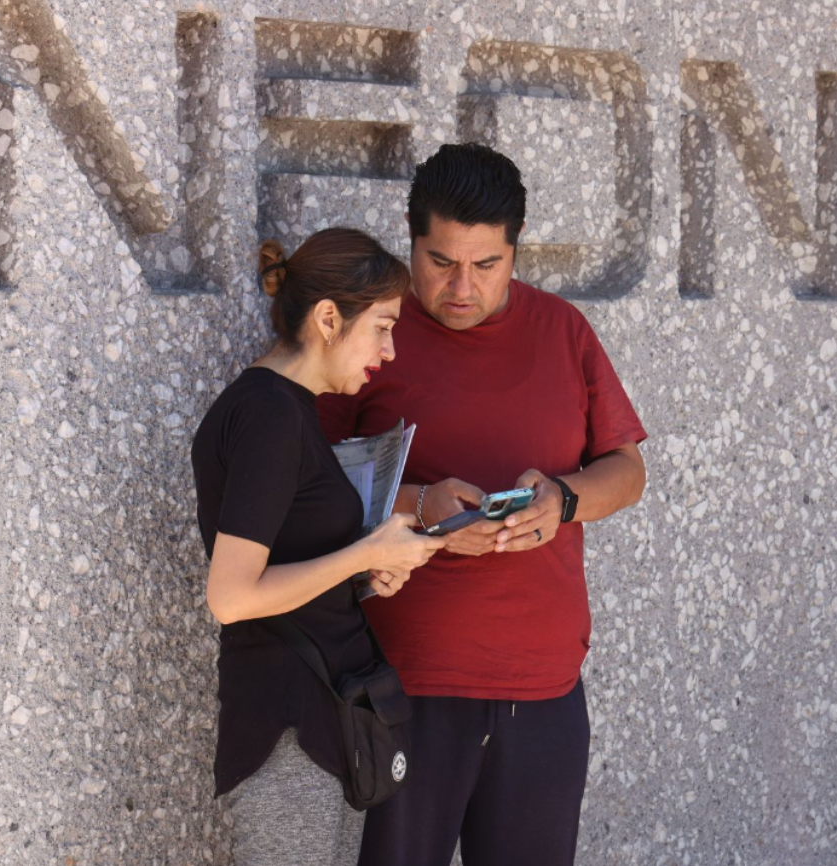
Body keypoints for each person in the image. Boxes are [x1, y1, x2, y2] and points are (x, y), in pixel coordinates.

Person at [317, 143, 648, 866]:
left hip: (544, 687)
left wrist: (562, 500)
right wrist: (417, 507)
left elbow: (626, 471)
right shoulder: (368, 329)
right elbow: (302, 482)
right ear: (411, 241)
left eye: (486, 265)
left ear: (514, 251)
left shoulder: (563, 331)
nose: (461, 286)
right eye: (440, 262)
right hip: (401, 685)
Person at [190, 228, 447, 866]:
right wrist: (362, 555)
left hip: (324, 714)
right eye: (383, 327)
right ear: (329, 318)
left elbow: (284, 561)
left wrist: (366, 572)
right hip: (288, 723)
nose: (390, 351)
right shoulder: (270, 415)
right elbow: (230, 597)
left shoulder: (290, 409)